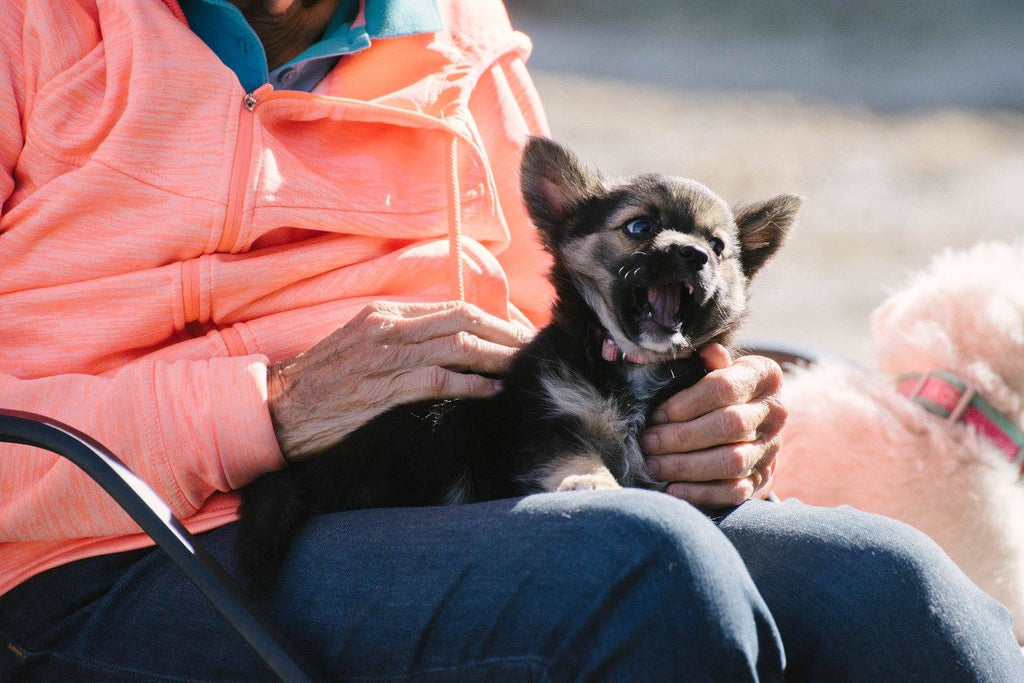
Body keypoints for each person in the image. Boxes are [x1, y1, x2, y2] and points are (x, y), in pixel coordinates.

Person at [0, 1, 1020, 680]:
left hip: (467, 492)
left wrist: (685, 418)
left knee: (892, 586)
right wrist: (265, 407)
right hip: (126, 549)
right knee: (640, 571)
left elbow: (547, 327)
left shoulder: (452, 23)